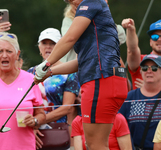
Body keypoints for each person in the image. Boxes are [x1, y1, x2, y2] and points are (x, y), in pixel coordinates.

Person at [34, 0, 128, 149]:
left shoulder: (91, 2)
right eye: (68, 1)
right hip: (107, 81)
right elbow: (79, 62)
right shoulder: (93, 20)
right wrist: (50, 72)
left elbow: (69, 38)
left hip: (100, 80)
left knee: (94, 145)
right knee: (99, 144)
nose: (71, 2)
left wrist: (46, 64)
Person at [27, 28, 80, 149]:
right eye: (44, 43)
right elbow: (26, 104)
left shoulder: (69, 72)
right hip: (33, 133)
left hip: (59, 132)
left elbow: (67, 108)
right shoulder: (30, 72)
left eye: (52, 43)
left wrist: (37, 121)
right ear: (39, 47)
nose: (48, 47)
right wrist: (31, 126)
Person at [119, 54, 161, 150]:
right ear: (141, 71)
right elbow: (118, 127)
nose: (149, 71)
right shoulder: (130, 97)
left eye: (154, 68)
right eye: (145, 68)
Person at [122, 18, 161, 89]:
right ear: (150, 42)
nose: (159, 39)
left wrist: (154, 88)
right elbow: (132, 50)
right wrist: (131, 29)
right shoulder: (142, 60)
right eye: (155, 37)